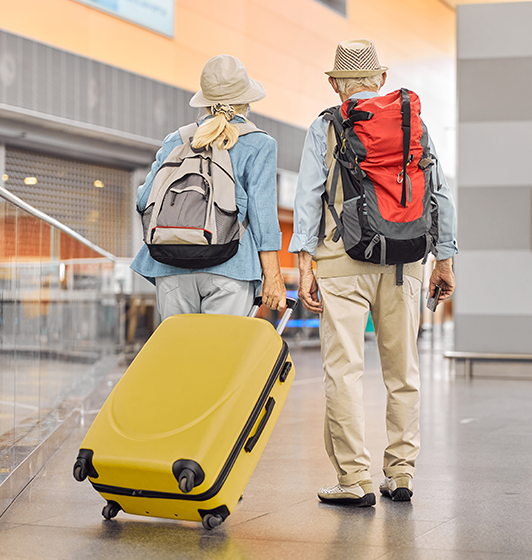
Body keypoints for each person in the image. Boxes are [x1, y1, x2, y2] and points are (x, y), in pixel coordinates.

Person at [289, 39, 458, 506]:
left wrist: (304, 264)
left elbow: (307, 198)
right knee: (403, 372)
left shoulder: (326, 125)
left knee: (344, 372)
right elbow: (440, 195)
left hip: (342, 259)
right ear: (380, 79)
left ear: (335, 84)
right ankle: (400, 474)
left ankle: (355, 480)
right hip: (407, 261)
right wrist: (443, 259)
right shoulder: (414, 122)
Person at [132, 55, 286, 317]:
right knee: (222, 356)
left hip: (170, 266)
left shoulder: (176, 140)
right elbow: (264, 218)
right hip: (231, 267)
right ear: (246, 102)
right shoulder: (259, 144)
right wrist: (273, 277)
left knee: (180, 356)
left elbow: (144, 200)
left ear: (204, 101)